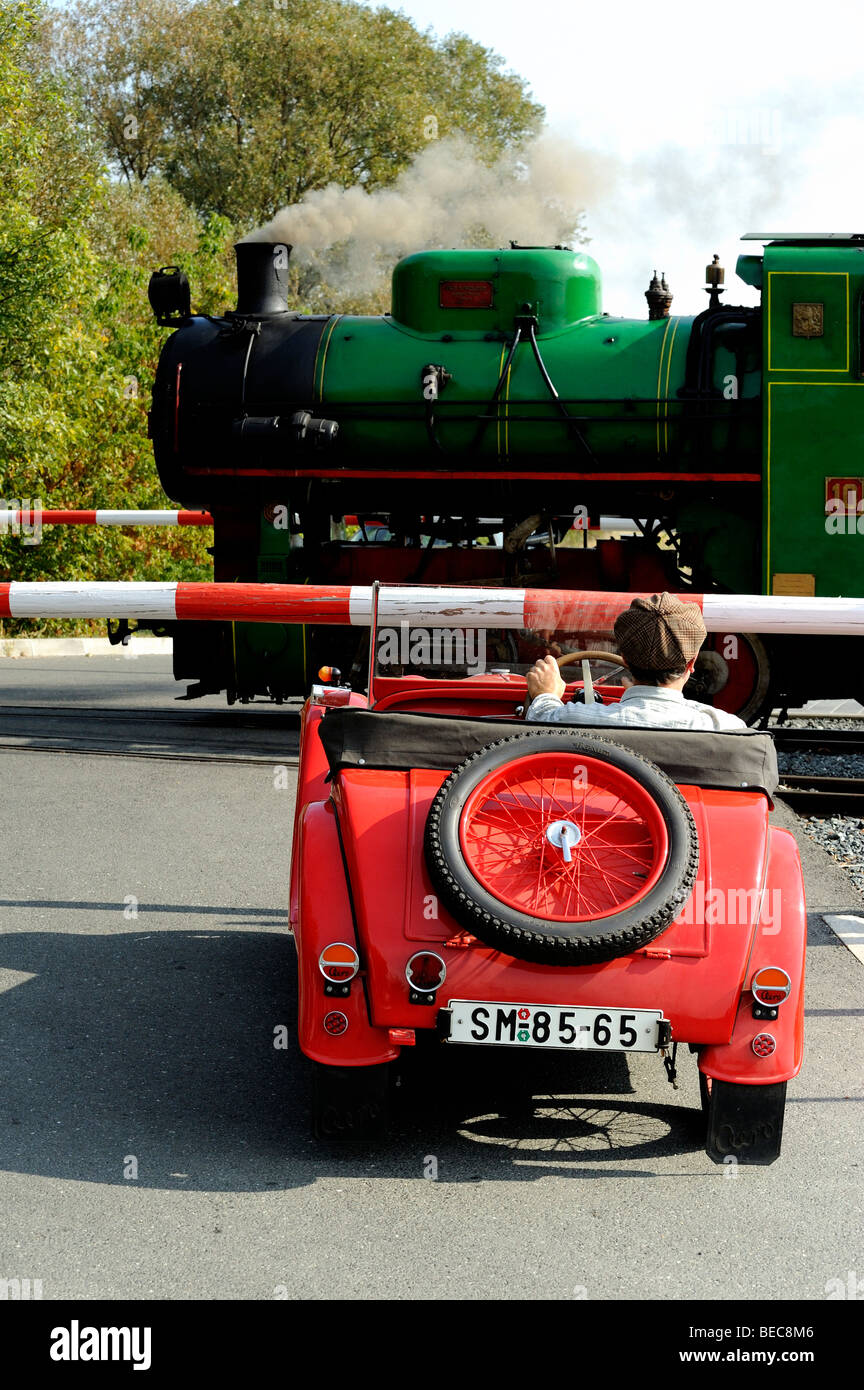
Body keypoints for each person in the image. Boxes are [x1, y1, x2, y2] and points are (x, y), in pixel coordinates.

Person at [525, 592, 747, 730]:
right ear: (692, 663)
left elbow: (541, 719)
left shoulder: (573, 719)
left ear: (625, 660)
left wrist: (545, 694)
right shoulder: (727, 727)